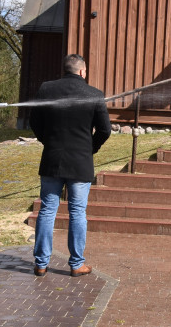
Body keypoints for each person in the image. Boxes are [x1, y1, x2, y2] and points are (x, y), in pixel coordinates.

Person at [30, 54, 112, 277]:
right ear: (83, 72)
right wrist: (90, 148)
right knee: (77, 212)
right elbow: (105, 130)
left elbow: (34, 122)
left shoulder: (46, 89)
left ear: (65, 70)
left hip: (52, 159)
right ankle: (76, 264)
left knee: (47, 210)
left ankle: (41, 263)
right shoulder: (94, 95)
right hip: (80, 162)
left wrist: (48, 141)